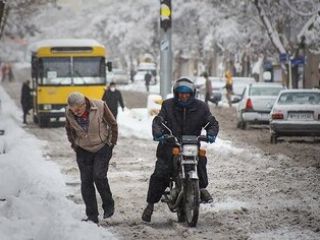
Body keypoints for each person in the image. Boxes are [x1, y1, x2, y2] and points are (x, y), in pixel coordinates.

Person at [142, 77, 219, 222]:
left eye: (187, 93)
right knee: (161, 172)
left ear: (192, 93)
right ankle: (150, 205)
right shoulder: (168, 105)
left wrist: (211, 133)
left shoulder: (201, 107)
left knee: (201, 160)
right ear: (176, 93)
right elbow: (159, 121)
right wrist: (159, 133)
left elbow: (211, 122)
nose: (184, 96)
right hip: (170, 145)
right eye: (181, 93)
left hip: (191, 144)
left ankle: (200, 188)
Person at [65, 92, 118, 224]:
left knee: (99, 176)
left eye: (78, 109)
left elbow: (113, 124)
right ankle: (92, 216)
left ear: (84, 104)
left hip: (102, 147)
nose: (75, 112)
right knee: (86, 182)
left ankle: (108, 204)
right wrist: (75, 144)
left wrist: (111, 143)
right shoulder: (69, 112)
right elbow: (68, 129)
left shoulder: (99, 106)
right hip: (83, 150)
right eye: (73, 110)